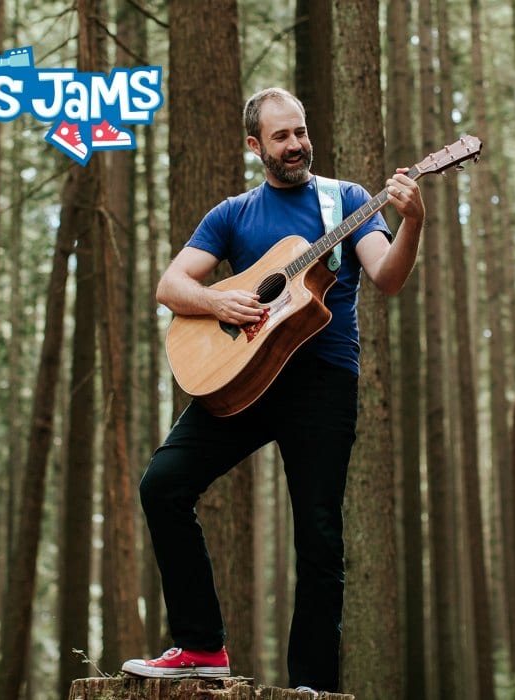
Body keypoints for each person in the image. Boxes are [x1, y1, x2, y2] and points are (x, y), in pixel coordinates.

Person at [121, 87, 424, 696]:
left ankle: (311, 683)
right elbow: (170, 285)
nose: (296, 145)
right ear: (255, 146)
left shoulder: (350, 203)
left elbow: (387, 277)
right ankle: (202, 646)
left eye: (301, 132)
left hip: (321, 382)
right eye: (281, 137)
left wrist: (413, 218)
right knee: (163, 485)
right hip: (244, 377)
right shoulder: (232, 214)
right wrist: (219, 299)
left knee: (318, 532)